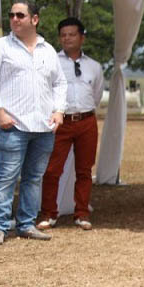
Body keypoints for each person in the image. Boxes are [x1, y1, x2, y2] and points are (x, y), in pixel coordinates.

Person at [0, 0, 66, 246]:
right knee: (7, 177)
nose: (15, 19)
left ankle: (26, 224)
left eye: (20, 15)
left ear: (35, 19)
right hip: (13, 125)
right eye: (12, 15)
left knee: (34, 178)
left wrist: (59, 111)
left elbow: (60, 83)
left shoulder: (47, 50)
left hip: (43, 127)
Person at [37, 17, 104, 231]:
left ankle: (82, 213)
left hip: (86, 120)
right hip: (60, 121)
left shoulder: (94, 66)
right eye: (63, 35)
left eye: (72, 34)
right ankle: (49, 213)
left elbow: (97, 94)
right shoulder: (52, 62)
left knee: (84, 170)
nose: (67, 38)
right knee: (52, 169)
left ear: (82, 37)